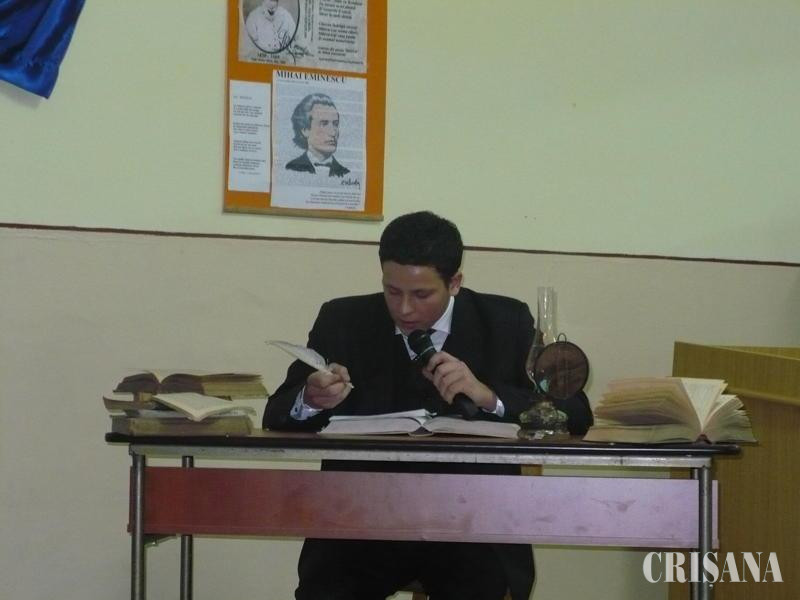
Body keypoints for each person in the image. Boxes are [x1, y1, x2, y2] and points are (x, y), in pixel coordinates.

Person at [264, 211, 593, 600]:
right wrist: (310, 399)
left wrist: (489, 396)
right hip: (361, 522)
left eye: (421, 295)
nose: (404, 309)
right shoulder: (343, 320)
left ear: (454, 283)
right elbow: (276, 413)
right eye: (392, 291)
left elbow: (576, 412)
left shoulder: (505, 321)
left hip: (471, 524)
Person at [285, 93, 350, 177]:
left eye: (335, 124)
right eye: (324, 124)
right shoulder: (291, 168)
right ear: (305, 130)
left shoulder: (346, 173)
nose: (333, 133)